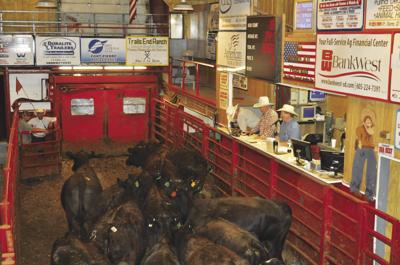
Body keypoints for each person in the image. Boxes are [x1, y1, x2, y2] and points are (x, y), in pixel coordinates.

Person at [350, 109, 377, 202]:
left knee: (372, 170)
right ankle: (355, 188)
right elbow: (359, 136)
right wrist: (360, 143)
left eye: (370, 121)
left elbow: (372, 140)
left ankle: (369, 194)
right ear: (364, 122)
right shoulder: (360, 128)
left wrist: (374, 147)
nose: (368, 123)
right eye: (367, 121)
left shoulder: (372, 130)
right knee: (358, 167)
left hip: (370, 149)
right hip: (362, 148)